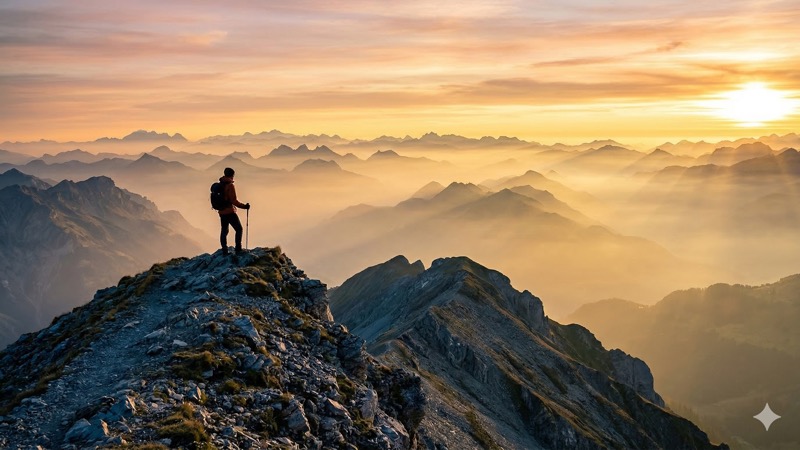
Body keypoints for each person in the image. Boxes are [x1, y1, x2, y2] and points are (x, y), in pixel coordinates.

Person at [217, 167, 250, 255]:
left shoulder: (221, 184)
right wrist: (245, 206)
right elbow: (234, 201)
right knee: (239, 229)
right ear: (232, 175)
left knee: (224, 230)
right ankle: (238, 249)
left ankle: (224, 250)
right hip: (229, 212)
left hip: (221, 212)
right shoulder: (230, 185)